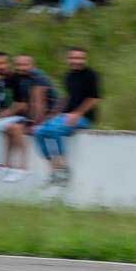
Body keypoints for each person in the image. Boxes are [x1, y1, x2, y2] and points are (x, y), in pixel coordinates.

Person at [34, 47, 99, 183]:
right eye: (74, 58)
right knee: (39, 132)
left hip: (84, 118)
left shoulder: (91, 75)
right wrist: (53, 115)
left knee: (55, 130)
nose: (77, 61)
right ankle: (53, 170)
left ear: (85, 59)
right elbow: (68, 97)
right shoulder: (68, 75)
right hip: (66, 116)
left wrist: (78, 113)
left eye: (80, 58)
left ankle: (64, 169)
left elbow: (94, 99)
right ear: (68, 59)